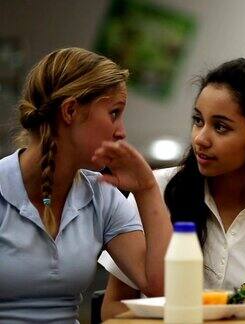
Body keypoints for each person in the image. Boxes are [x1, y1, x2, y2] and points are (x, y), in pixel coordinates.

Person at [99, 58, 245, 319]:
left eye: (220, 127)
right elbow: (113, 309)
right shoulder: (154, 190)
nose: (200, 138)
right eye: (198, 120)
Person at [0, 47, 172, 322]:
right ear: (70, 111)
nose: (122, 131)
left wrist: (147, 188)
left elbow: (161, 290)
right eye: (114, 113)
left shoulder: (101, 194)